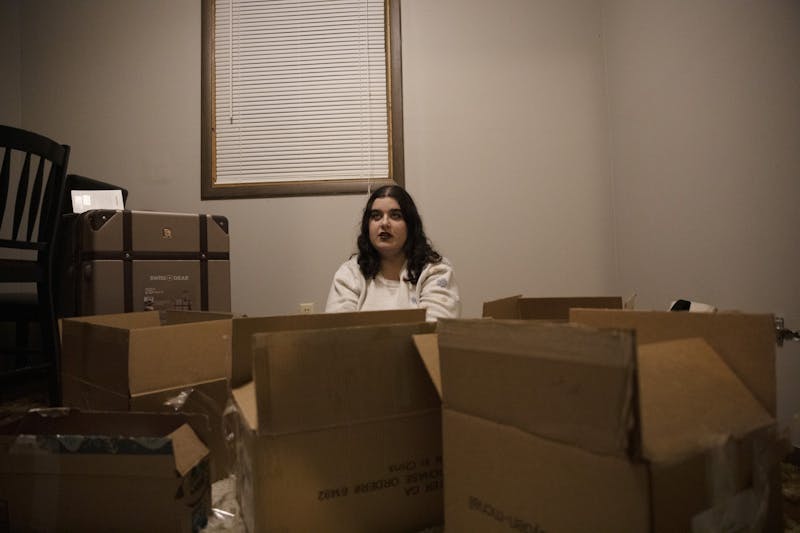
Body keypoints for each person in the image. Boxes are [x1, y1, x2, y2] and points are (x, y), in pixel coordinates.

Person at [325, 185, 461, 321]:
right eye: (376, 216)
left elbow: (435, 331)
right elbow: (338, 332)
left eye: (395, 215)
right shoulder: (350, 273)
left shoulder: (436, 271)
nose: (384, 223)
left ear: (411, 225)